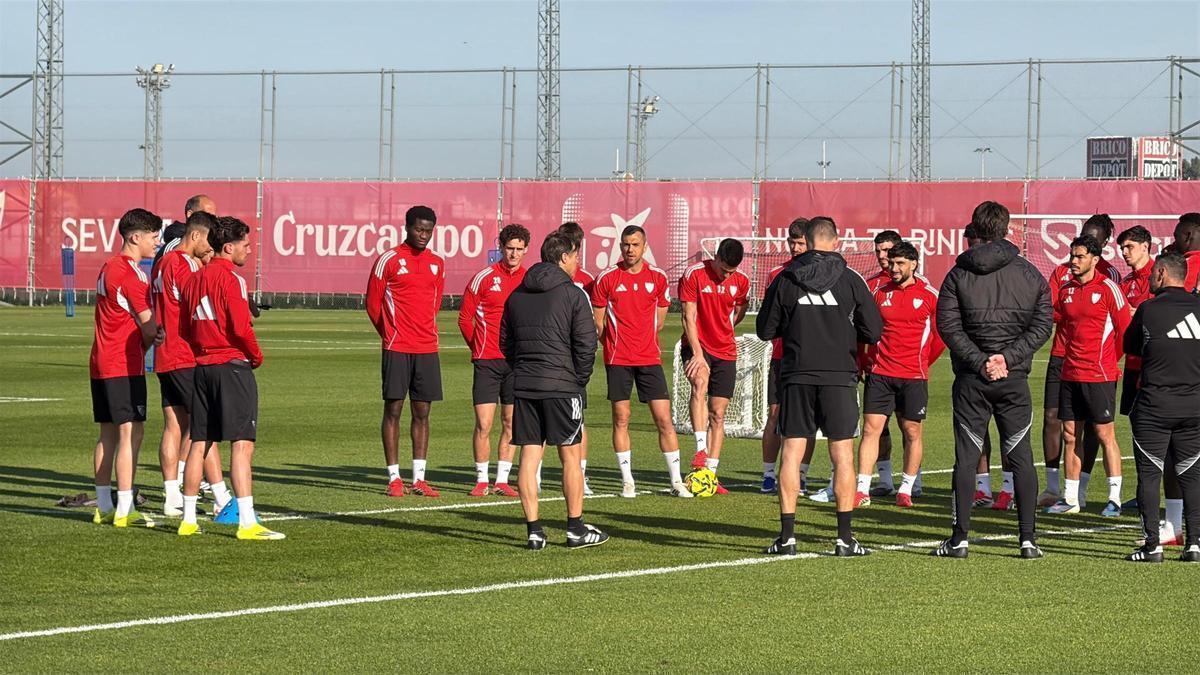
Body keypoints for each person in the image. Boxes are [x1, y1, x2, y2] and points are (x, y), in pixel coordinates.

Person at [934, 201, 1052, 559]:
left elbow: (948, 327)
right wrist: (1008, 358)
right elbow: (1042, 324)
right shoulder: (1030, 274)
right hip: (1012, 379)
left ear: (974, 229)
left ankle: (960, 539)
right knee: (1020, 456)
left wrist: (982, 360)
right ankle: (1028, 540)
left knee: (967, 457)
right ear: (1007, 228)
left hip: (973, 379)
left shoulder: (957, 274)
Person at [757, 216, 881, 557]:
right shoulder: (852, 280)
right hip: (839, 377)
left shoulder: (786, 278)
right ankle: (844, 538)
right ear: (836, 241)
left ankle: (787, 538)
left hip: (797, 374)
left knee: (792, 454)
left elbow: (766, 329)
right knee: (842, 455)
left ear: (807, 242)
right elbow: (873, 331)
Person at [177, 216, 283, 540]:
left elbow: (183, 328)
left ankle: (188, 519)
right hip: (231, 366)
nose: (249, 251)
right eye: (245, 245)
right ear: (228, 246)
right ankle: (247, 523)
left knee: (199, 443)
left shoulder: (192, 280)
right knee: (242, 445)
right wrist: (257, 355)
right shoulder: (233, 281)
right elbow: (240, 328)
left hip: (202, 367)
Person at [501, 232, 605, 550]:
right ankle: (575, 528)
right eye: (574, 256)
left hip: (526, 385)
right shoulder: (573, 295)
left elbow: (505, 343)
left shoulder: (516, 294)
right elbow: (587, 344)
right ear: (563, 258)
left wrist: (524, 368)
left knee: (529, 456)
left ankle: (534, 531)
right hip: (562, 386)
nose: (577, 262)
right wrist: (578, 379)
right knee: (570, 456)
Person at [592, 225, 692, 498]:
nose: (630, 249)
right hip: (618, 359)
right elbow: (598, 324)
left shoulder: (658, 278)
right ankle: (628, 481)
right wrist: (615, 346)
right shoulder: (607, 278)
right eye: (625, 244)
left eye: (635, 244)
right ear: (620, 246)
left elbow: (659, 321)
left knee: (663, 420)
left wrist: (641, 341)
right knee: (621, 418)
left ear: (644, 246)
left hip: (649, 358)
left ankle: (676, 481)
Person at [150, 211, 230, 517]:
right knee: (204, 427)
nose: (211, 249)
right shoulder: (182, 264)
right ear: (195, 236)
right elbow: (198, 302)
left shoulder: (163, 263)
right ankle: (222, 497)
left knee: (175, 425)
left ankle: (172, 495)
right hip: (185, 354)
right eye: (208, 242)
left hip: (166, 354)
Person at [1123, 251, 1200, 562]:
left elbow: (1130, 347)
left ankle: (1152, 545)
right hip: (1194, 406)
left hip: (1154, 407)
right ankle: (1194, 544)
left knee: (1149, 475)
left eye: (1155, 272)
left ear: (1163, 274)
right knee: (1193, 475)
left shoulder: (1148, 309)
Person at [1044, 235, 1130, 516]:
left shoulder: (1109, 289)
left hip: (1100, 375)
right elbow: (1062, 325)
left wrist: (1107, 361)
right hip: (1070, 374)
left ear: (1095, 260)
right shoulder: (1066, 290)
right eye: (1072, 255)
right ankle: (1070, 499)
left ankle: (1114, 499)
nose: (1073, 261)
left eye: (1080, 256)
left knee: (1105, 434)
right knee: (1071, 435)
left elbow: (1125, 332)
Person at [89, 208, 163, 528]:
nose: (157, 243)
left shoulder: (107, 268)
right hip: (123, 362)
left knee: (108, 434)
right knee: (131, 432)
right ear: (135, 237)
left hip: (101, 360)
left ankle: (104, 505)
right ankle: (124, 508)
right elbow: (148, 324)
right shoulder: (132, 273)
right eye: (153, 236)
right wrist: (156, 337)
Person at [856, 241, 944, 509]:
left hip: (913, 377)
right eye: (891, 263)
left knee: (912, 431)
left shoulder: (930, 295)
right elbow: (864, 329)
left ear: (914, 264)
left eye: (900, 263)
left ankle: (905, 489)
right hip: (880, 373)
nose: (893, 268)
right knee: (871, 430)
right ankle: (862, 488)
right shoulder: (879, 292)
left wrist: (920, 363)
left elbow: (940, 338)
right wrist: (864, 359)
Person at [366, 205, 445, 498]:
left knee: (422, 412)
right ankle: (394, 478)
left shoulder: (438, 263)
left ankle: (419, 479)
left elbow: (434, 304)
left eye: (428, 231)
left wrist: (422, 330)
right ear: (407, 227)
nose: (423, 235)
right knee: (394, 409)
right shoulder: (388, 259)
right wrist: (389, 333)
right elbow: (372, 304)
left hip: (427, 347)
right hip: (397, 346)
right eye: (418, 229)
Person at [458, 224, 530, 498]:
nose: (513, 254)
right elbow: (465, 318)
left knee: (511, 422)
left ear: (525, 250)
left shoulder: (529, 280)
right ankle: (481, 480)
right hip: (487, 361)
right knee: (484, 424)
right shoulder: (483, 278)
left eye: (518, 249)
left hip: (516, 363)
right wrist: (477, 347)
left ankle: (502, 479)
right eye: (509, 248)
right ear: (501, 248)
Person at [680, 238, 750, 493]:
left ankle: (710, 474)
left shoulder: (741, 281)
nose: (726, 275)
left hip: (726, 351)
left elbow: (740, 310)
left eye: (731, 272)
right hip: (697, 346)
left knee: (718, 414)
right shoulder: (695, 274)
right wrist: (698, 354)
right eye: (723, 270)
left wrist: (726, 330)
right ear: (716, 258)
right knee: (699, 383)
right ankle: (700, 450)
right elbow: (688, 315)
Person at [760, 218, 815, 495]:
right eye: (792, 242)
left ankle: (801, 476)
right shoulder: (776, 274)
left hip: (810, 359)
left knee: (808, 420)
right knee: (775, 414)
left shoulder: (821, 274)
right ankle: (769, 475)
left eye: (800, 242)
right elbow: (769, 318)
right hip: (782, 357)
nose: (795, 247)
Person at [959, 222, 1007, 511]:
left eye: (974, 239)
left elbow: (1036, 320)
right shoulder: (962, 274)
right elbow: (950, 325)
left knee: (1009, 431)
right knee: (979, 432)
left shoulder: (1013, 272)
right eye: (968, 240)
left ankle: (1009, 490)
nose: (971, 245)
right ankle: (983, 487)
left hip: (1004, 367)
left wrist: (1008, 358)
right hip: (977, 368)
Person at [558, 221, 595, 495]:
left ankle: (581, 475)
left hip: (572, 365)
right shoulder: (550, 277)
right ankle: (533, 476)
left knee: (578, 420)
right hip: (553, 361)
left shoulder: (587, 281)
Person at [154, 194, 215, 267]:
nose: (212, 220)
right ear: (190, 214)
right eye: (206, 214)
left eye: (213, 217)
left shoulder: (211, 244)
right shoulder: (173, 249)